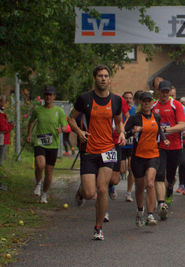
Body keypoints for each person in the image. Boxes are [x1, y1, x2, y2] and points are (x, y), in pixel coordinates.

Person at [68, 65, 125, 240]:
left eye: (106, 76)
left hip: (108, 149)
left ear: (110, 79)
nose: (103, 78)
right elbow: (70, 118)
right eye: (100, 76)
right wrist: (78, 132)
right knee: (89, 193)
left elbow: (118, 120)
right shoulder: (84, 98)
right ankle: (81, 192)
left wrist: (121, 132)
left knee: (102, 190)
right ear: (94, 78)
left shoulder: (116, 100)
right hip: (89, 150)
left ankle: (98, 228)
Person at [125, 91, 169, 226]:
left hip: (153, 155)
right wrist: (132, 131)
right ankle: (140, 211)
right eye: (144, 101)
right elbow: (124, 134)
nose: (146, 103)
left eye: (149, 101)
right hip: (138, 156)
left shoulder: (156, 116)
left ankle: (150, 214)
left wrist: (165, 139)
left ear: (152, 103)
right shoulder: (134, 118)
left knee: (150, 183)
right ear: (140, 102)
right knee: (140, 186)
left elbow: (159, 130)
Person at [27, 86, 68, 204]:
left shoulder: (59, 111)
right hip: (39, 142)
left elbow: (65, 126)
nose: (48, 97)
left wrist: (61, 129)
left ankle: (44, 194)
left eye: (50, 95)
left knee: (49, 172)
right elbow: (31, 122)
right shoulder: (38, 110)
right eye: (46, 95)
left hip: (53, 145)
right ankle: (38, 183)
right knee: (40, 165)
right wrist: (29, 134)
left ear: (54, 96)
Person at [152, 80, 185, 220]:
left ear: (170, 92)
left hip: (175, 146)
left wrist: (165, 130)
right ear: (158, 92)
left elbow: (181, 126)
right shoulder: (153, 105)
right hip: (159, 146)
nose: (164, 94)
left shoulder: (176, 105)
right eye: (162, 91)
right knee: (160, 174)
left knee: (170, 175)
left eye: (167, 91)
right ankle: (161, 203)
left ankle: (169, 189)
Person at [121, 91, 138, 202]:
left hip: (131, 144)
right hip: (121, 144)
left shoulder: (135, 111)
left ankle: (128, 193)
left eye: (130, 98)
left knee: (131, 169)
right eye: (126, 98)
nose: (128, 100)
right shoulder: (119, 110)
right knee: (122, 170)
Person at [0, 96, 14, 191]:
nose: (5, 104)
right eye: (4, 102)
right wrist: (11, 125)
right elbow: (3, 128)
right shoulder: (1, 114)